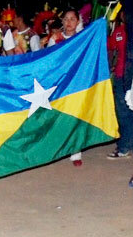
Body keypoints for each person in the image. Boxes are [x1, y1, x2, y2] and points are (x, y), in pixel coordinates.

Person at [106, 10, 133, 165]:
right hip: (120, 77)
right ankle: (124, 147)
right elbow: (109, 48)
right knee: (122, 114)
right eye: (124, 12)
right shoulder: (118, 32)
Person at [45, 9, 84, 166]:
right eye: (66, 19)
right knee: (59, 114)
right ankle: (58, 147)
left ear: (78, 22)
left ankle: (76, 151)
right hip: (60, 83)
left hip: (77, 83)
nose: (69, 22)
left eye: (72, 19)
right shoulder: (55, 38)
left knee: (76, 115)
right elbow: (49, 60)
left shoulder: (83, 38)